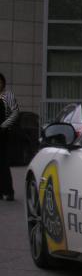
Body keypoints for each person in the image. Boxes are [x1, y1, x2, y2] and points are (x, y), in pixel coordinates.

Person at [0, 73, 19, 201]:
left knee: (3, 163)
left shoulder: (8, 95)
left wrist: (3, 126)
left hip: (3, 133)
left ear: (3, 83)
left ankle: (9, 191)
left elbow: (15, 112)